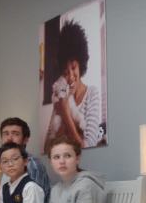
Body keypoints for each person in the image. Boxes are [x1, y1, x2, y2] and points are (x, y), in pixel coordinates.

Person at [43, 20, 102, 151]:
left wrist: (65, 113)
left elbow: (89, 146)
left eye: (73, 68)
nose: (70, 77)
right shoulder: (61, 95)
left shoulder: (92, 94)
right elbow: (46, 148)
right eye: (65, 72)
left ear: (81, 64)